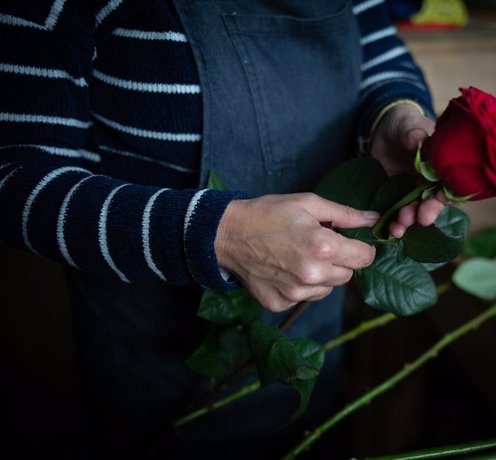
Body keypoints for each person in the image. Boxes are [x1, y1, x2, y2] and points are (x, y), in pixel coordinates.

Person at [0, 0, 445, 457]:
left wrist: (394, 114)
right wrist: (215, 234)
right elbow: (13, 173)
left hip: (310, 329)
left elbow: (373, 37)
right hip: (153, 355)